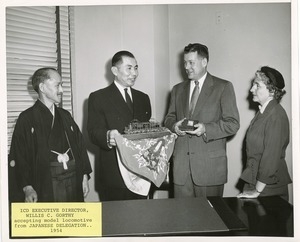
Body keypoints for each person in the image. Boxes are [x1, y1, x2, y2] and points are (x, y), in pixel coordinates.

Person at [164, 43, 240, 198]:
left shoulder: (223, 87)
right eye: (185, 62)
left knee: (210, 219)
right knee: (183, 220)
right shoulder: (177, 89)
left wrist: (206, 128)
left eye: (191, 62)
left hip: (209, 169)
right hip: (181, 170)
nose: (187, 67)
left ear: (204, 62)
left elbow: (233, 124)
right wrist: (174, 126)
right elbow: (169, 118)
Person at [9, 67, 92, 202]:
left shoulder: (65, 115)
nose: (61, 90)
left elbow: (80, 146)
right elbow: (19, 155)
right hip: (45, 184)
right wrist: (27, 187)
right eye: (57, 85)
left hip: (73, 180)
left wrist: (83, 176)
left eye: (61, 85)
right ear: (42, 87)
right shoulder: (27, 118)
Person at [87, 50, 152, 201]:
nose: (134, 73)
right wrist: (107, 136)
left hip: (141, 174)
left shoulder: (143, 98)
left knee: (140, 220)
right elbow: (93, 132)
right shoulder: (98, 97)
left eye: (136, 68)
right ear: (115, 70)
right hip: (114, 175)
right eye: (129, 68)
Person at [237, 66, 292, 201]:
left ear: (272, 90)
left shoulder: (276, 116)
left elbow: (270, 158)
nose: (251, 90)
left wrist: (256, 190)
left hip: (267, 188)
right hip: (255, 182)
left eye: (257, 85)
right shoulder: (264, 112)